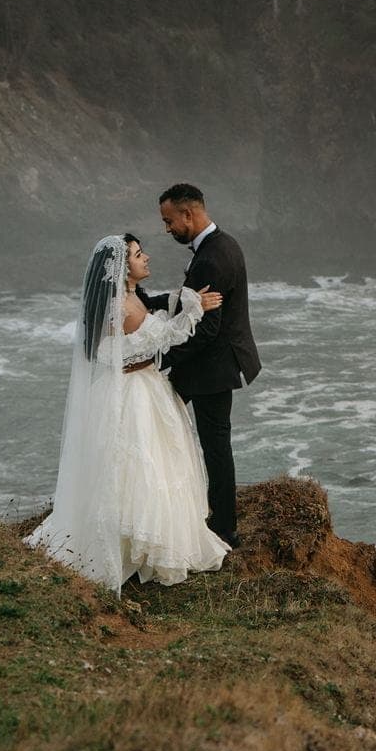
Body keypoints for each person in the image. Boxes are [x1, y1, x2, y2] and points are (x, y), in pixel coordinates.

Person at [26, 234, 232, 588]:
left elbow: (152, 322)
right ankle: (132, 544)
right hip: (130, 394)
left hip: (150, 387)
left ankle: (151, 543)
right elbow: (110, 353)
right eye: (138, 254)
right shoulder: (115, 307)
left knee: (161, 464)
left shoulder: (133, 297)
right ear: (124, 269)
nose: (146, 258)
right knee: (136, 465)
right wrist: (193, 311)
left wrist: (180, 303)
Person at [154, 183, 261, 545]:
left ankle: (224, 528)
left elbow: (205, 331)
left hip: (211, 369)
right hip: (218, 365)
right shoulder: (224, 244)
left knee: (213, 447)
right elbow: (190, 305)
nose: (168, 229)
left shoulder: (211, 258)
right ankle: (212, 517)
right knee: (206, 442)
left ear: (189, 214)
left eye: (170, 221)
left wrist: (159, 359)